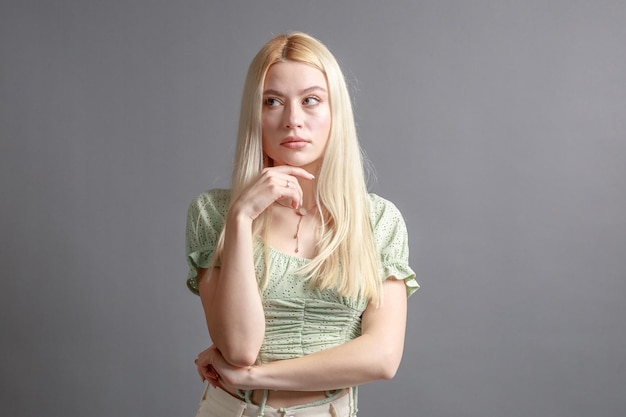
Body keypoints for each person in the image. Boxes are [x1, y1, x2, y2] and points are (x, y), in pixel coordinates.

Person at [185, 32, 419, 417]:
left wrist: (252, 377)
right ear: (255, 114)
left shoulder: (378, 220)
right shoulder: (215, 213)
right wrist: (242, 218)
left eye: (311, 100)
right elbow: (240, 348)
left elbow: (382, 358)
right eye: (273, 101)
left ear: (335, 112)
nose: (293, 120)